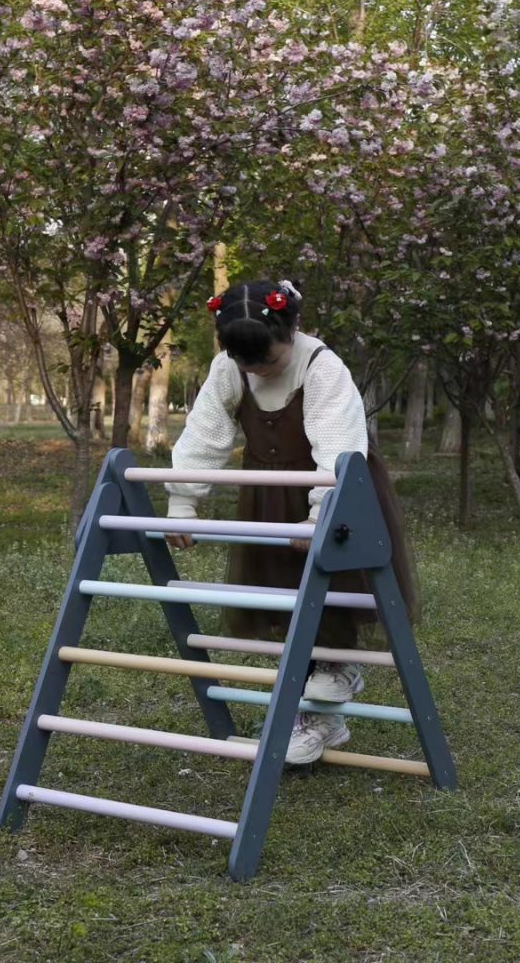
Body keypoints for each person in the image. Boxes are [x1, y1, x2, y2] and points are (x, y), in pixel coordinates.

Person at [164, 279, 418, 764]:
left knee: (336, 588)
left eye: (269, 361)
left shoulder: (321, 367)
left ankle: (337, 672)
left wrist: (324, 510)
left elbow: (339, 444)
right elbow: (205, 432)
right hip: (269, 497)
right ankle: (318, 718)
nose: (258, 371)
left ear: (292, 329)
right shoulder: (228, 369)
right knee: (284, 596)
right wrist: (183, 500)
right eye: (247, 365)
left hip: (337, 493)